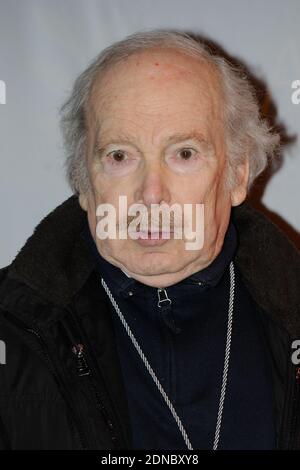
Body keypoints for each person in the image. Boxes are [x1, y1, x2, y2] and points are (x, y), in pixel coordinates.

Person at [0, 29, 299, 450]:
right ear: (85, 182)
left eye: (184, 154)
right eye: (120, 156)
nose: (151, 194)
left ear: (237, 174)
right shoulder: (9, 329)